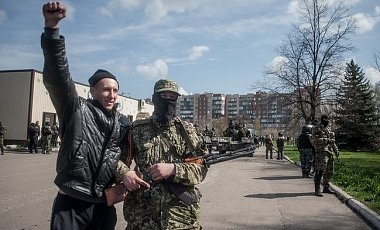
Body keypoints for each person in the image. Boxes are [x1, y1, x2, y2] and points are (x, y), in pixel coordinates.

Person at [41, 2, 133, 229]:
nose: (111, 95)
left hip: (104, 205)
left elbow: (125, 159)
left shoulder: (122, 124)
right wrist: (52, 30)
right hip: (71, 203)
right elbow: (59, 76)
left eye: (115, 90)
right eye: (105, 89)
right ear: (92, 91)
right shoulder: (76, 110)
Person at [121, 79, 208, 229]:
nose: (167, 101)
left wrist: (174, 169)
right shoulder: (136, 130)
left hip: (180, 218)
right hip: (142, 217)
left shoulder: (188, 132)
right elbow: (118, 160)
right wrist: (125, 173)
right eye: (163, 96)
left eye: (172, 97)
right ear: (154, 99)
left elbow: (201, 169)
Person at [312, 115, 338, 197]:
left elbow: (333, 141)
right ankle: (317, 189)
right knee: (320, 171)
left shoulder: (328, 129)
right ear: (322, 120)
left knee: (330, 171)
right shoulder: (316, 128)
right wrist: (327, 140)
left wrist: (336, 150)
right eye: (325, 120)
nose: (327, 122)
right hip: (321, 152)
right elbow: (314, 140)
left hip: (329, 152)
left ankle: (326, 187)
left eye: (328, 120)